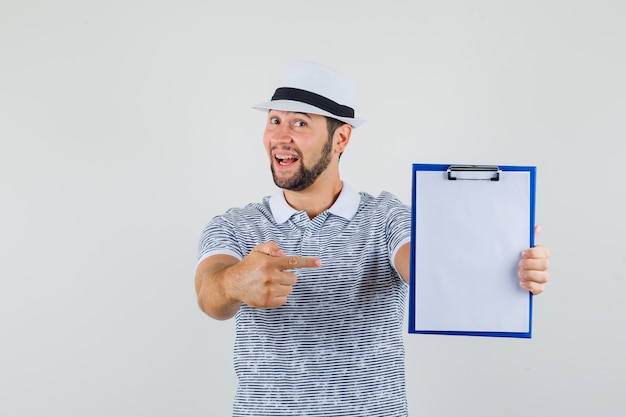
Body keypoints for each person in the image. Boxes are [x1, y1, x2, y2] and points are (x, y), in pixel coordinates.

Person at [194, 61, 551, 416]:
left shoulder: (387, 217)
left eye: (300, 123)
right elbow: (208, 294)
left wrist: (504, 267)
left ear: (341, 138)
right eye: (274, 121)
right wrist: (235, 283)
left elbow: (427, 265)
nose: (280, 137)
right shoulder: (236, 225)